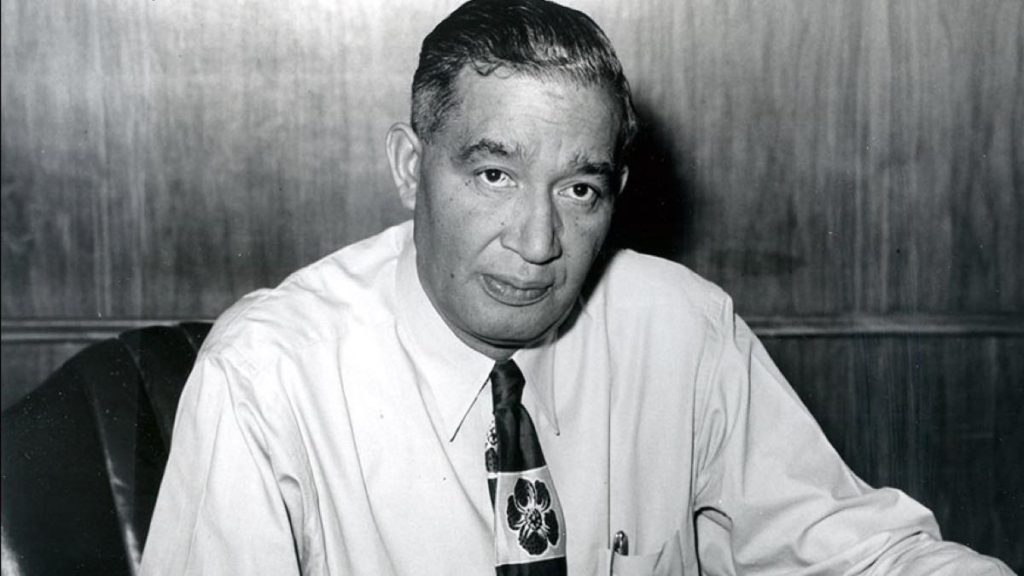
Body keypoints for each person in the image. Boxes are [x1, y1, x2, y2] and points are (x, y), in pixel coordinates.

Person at [140, 0, 1014, 574]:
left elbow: (861, 553)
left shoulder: (681, 328)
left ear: (616, 193)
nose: (537, 243)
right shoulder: (268, 376)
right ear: (410, 167)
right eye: (494, 175)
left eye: (579, 189)